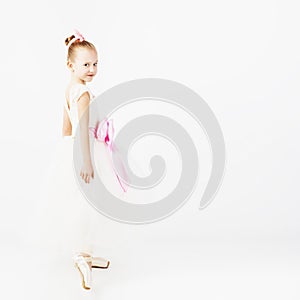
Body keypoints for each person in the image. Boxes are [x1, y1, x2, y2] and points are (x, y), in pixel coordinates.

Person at [35, 29, 114, 291]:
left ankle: (86, 251)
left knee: (82, 203)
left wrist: (64, 152)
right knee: (87, 203)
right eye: (86, 64)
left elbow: (65, 129)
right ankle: (81, 254)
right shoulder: (82, 93)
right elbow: (79, 129)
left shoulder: (69, 89)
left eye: (95, 64)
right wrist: (86, 161)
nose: (92, 69)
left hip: (71, 149)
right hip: (85, 151)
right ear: (71, 65)